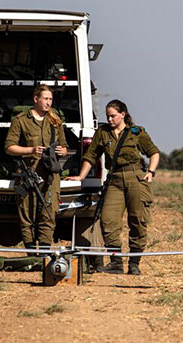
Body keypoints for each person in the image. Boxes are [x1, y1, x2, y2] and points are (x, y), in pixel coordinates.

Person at [66, 99, 160, 275]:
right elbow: (91, 155)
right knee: (108, 220)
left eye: (113, 116)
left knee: (138, 221)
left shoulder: (136, 132)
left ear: (123, 114)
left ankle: (134, 263)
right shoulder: (103, 133)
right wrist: (80, 176)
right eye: (107, 116)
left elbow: (154, 153)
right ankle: (116, 261)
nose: (109, 119)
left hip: (135, 177)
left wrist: (151, 171)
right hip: (114, 179)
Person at [5, 85, 68, 253]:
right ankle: (31, 252)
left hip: (50, 175)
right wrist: (30, 150)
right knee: (27, 213)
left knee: (49, 212)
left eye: (50, 99)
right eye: (45, 99)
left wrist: (62, 151)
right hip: (28, 173)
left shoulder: (55, 121)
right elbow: (9, 147)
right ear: (36, 99)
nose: (48, 103)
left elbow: (65, 147)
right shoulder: (21, 120)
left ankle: (45, 251)